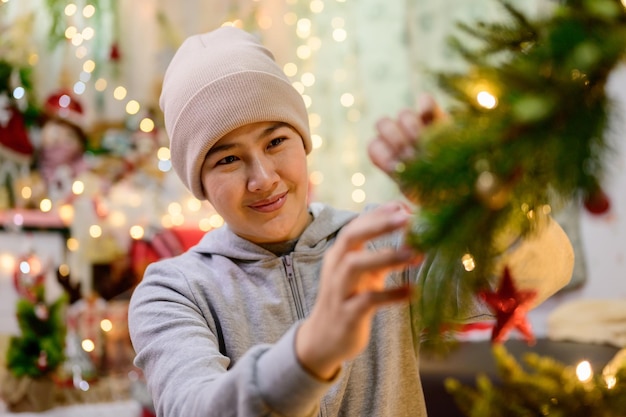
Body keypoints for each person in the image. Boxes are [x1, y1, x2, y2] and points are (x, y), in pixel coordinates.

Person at [128, 27, 574, 417]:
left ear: (303, 143)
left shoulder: (381, 245)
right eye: (227, 158)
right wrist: (311, 352)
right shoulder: (172, 291)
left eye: (276, 141)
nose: (263, 178)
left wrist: (473, 200)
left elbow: (544, 270)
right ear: (199, 183)